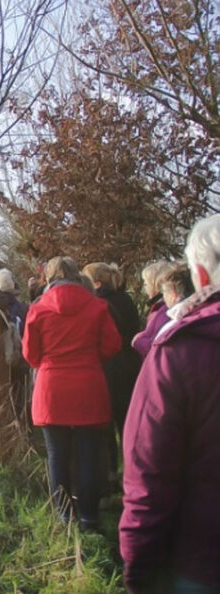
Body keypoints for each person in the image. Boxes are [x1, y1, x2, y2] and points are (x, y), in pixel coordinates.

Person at [120, 214, 220, 593]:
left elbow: (149, 469)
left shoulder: (180, 350)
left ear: (201, 275)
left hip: (203, 558)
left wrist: (137, 565)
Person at [22, 256, 121, 530]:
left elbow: (30, 355)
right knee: (89, 454)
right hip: (89, 385)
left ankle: (65, 515)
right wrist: (90, 358)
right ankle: (89, 515)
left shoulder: (38, 309)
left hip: (52, 388)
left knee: (57, 455)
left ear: (48, 279)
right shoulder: (98, 306)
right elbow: (113, 345)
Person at [83, 262, 142, 485]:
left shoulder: (97, 304)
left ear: (95, 281)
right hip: (129, 367)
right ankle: (134, 474)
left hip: (106, 368)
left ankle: (110, 474)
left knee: (105, 427)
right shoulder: (126, 299)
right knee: (127, 424)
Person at [132, 261, 173, 357]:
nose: (144, 287)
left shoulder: (164, 310)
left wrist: (138, 341)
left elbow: (156, 347)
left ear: (156, 284)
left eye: (146, 283)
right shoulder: (158, 307)